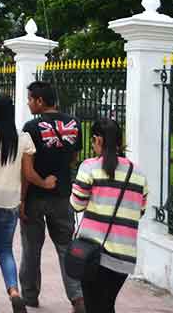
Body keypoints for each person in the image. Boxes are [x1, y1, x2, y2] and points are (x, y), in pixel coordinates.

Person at [0, 94, 56, 313]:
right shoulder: (23, 138)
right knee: (5, 250)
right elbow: (28, 174)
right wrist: (36, 190)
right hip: (10, 201)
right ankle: (14, 291)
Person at [20, 81, 84, 312]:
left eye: (30, 99)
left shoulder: (31, 127)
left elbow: (26, 169)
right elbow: (73, 157)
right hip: (62, 195)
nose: (28, 103)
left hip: (35, 196)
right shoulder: (75, 123)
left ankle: (29, 296)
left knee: (31, 249)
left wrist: (22, 200)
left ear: (39, 101)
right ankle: (77, 298)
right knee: (66, 248)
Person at [71, 119, 147, 313]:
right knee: (106, 304)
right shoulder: (137, 173)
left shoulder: (89, 167)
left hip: (94, 254)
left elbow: (76, 204)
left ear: (97, 140)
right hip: (124, 256)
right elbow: (140, 210)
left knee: (94, 306)